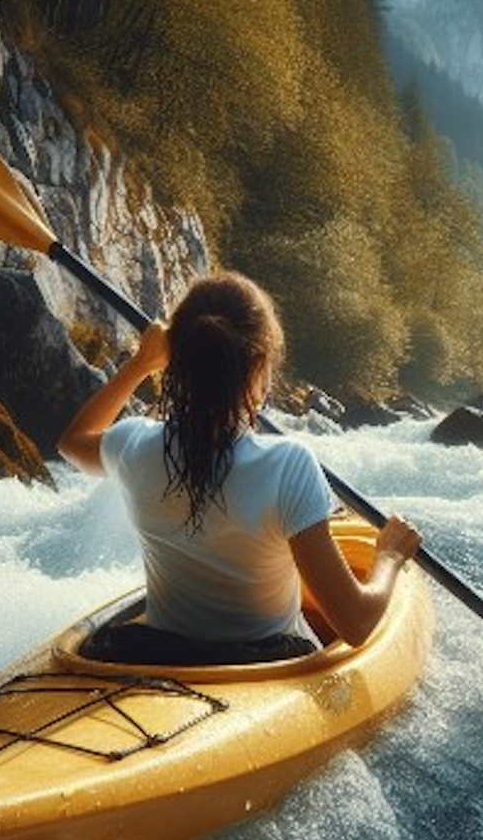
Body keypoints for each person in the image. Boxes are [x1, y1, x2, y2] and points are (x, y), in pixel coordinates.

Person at [57, 271, 421, 665]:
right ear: (259, 365)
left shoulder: (134, 443)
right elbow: (355, 624)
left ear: (175, 359)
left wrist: (140, 364)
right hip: (265, 663)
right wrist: (389, 557)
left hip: (159, 652)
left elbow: (73, 443)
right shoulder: (289, 464)